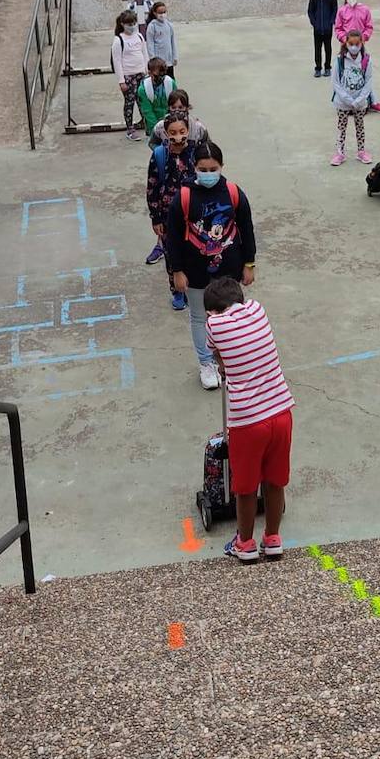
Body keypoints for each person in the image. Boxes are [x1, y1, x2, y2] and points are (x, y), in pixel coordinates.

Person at [204, 275, 293, 563]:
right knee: (275, 479)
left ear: (213, 312)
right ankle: (273, 538)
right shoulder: (258, 309)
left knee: (245, 485)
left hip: (248, 419)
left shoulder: (212, 325)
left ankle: (245, 543)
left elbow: (217, 356)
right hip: (281, 411)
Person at [166, 141, 256, 390]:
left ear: (222, 166)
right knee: (199, 317)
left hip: (229, 269)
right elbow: (172, 237)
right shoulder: (183, 196)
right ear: (194, 168)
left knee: (232, 316)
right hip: (194, 271)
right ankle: (206, 363)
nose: (208, 174)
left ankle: (232, 361)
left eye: (212, 169)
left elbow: (246, 229)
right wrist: (177, 270)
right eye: (203, 169)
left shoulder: (233, 192)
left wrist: (249, 264)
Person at [145, 113, 199, 302]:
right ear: (166, 134)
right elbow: (152, 186)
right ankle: (177, 291)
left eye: (182, 131)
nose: (178, 136)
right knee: (172, 253)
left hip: (194, 215)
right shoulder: (159, 154)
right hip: (168, 216)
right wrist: (156, 217)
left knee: (196, 251)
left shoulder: (196, 152)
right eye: (173, 132)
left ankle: (195, 288)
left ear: (188, 131)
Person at [334, 0, 380, 113]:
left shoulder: (365, 10)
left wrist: (364, 37)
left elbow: (369, 27)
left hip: (360, 46)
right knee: (343, 73)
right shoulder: (342, 11)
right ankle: (342, 100)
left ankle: (372, 101)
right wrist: (344, 39)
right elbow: (338, 28)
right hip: (346, 46)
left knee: (364, 73)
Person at [330, 31, 373, 167]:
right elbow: (335, 81)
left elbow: (368, 81)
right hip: (343, 102)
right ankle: (339, 152)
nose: (354, 47)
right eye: (351, 44)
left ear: (362, 43)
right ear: (346, 43)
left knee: (360, 126)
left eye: (357, 44)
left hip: (360, 103)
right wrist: (347, 99)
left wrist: (360, 99)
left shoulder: (366, 59)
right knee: (341, 127)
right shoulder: (339, 59)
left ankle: (361, 151)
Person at [111, 10, 149, 141]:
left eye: (133, 23)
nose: (132, 26)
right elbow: (117, 61)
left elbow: (144, 53)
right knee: (129, 103)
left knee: (143, 100)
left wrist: (147, 70)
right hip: (128, 76)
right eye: (129, 23)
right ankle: (130, 129)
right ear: (122, 24)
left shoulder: (139, 36)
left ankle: (145, 122)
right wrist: (121, 81)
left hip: (141, 74)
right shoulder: (118, 40)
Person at [307, 0, 338, 78]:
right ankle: (318, 68)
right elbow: (310, 10)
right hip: (317, 28)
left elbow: (335, 8)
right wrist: (313, 22)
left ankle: (328, 67)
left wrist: (332, 21)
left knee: (328, 48)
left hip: (327, 28)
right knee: (317, 49)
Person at [137, 59, 177, 137]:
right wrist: (157, 130)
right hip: (153, 127)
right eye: (156, 75)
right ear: (149, 73)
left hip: (171, 124)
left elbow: (176, 103)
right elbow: (147, 111)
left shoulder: (170, 83)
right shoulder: (143, 89)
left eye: (163, 75)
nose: (160, 78)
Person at [145, 0, 178, 78]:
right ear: (154, 13)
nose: (162, 15)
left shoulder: (169, 25)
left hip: (169, 61)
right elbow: (150, 44)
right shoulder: (152, 26)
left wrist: (175, 56)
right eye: (160, 12)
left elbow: (173, 41)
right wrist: (153, 59)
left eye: (164, 12)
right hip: (158, 62)